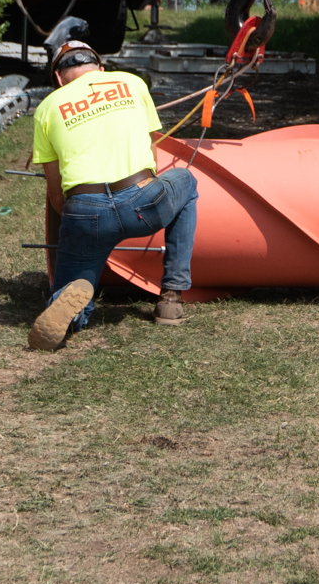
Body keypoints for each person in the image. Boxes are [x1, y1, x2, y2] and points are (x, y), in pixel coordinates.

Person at [28, 37, 196, 350]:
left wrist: (83, 227)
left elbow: (55, 192)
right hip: (143, 199)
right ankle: (171, 296)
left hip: (85, 208)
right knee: (186, 181)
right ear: (100, 67)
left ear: (59, 78)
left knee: (74, 282)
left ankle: (72, 311)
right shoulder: (133, 83)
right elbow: (152, 153)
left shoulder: (47, 108)